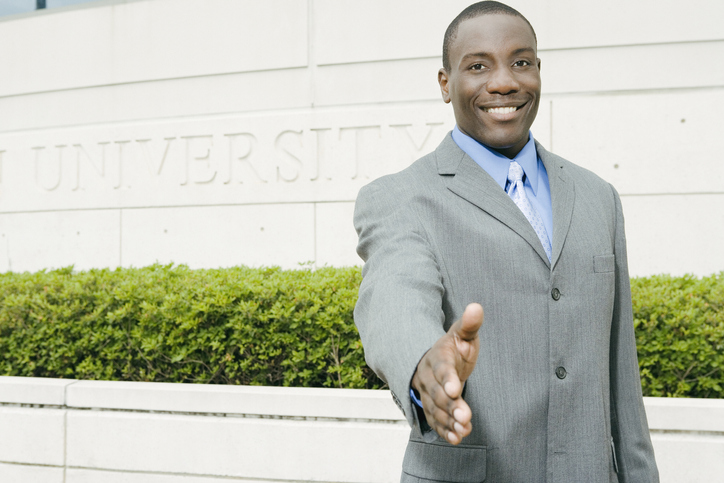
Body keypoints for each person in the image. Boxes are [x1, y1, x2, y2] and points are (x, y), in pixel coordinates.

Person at [353, 2, 660, 482]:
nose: (504, 82)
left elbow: (623, 383)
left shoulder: (599, 197)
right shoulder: (401, 197)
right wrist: (424, 362)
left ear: (538, 71)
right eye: (477, 66)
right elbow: (394, 300)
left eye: (521, 62)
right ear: (444, 83)